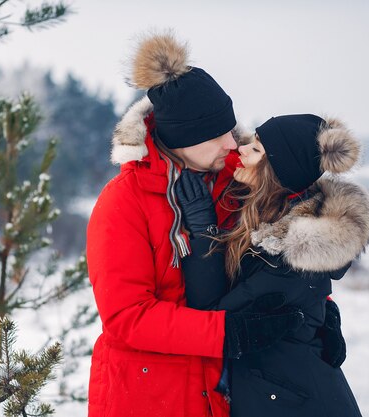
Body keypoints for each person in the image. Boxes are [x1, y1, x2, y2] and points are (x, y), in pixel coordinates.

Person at [85, 33, 307, 417]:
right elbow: (127, 316)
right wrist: (226, 333)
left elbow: (274, 258)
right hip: (147, 396)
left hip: (222, 392)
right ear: (182, 137)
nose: (230, 142)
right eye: (215, 134)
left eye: (230, 128)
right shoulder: (124, 202)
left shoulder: (236, 185)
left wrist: (318, 312)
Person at [175, 114, 369, 417]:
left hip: (300, 404)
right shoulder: (271, 218)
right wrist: (322, 311)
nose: (240, 150)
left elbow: (211, 315)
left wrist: (203, 228)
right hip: (283, 394)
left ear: (276, 172)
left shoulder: (287, 258)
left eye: (255, 149)